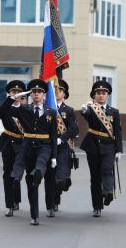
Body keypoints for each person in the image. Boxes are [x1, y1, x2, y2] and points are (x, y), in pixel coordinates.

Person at [1, 79, 57, 226]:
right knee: (31, 185)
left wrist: (55, 156)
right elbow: (3, 111)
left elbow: (53, 136)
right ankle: (34, 215)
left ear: (44, 95)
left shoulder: (51, 112)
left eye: (39, 92)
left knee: (40, 163)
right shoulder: (24, 110)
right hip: (28, 146)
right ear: (30, 95)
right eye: (33, 92)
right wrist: (16, 96)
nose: (36, 94)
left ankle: (37, 172)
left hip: (44, 146)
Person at [80, 80, 122, 218]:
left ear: (108, 95)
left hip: (108, 146)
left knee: (106, 169)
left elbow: (118, 131)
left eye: (104, 93)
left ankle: (108, 192)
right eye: (98, 93)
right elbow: (86, 115)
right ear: (94, 95)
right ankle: (97, 206)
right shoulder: (91, 109)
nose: (101, 95)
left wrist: (119, 150)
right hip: (92, 146)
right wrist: (84, 110)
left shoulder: (114, 112)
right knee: (95, 178)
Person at [0, 80, 25, 217]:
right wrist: (9, 99)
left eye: (19, 92)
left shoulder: (26, 109)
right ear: (9, 94)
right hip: (9, 143)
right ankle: (10, 204)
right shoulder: (5, 108)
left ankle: (16, 198)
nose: (16, 94)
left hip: (24, 144)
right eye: (13, 92)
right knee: (8, 174)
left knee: (18, 175)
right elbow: (0, 112)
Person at [53, 79, 79, 213]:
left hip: (63, 147)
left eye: (61, 90)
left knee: (60, 178)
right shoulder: (47, 108)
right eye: (56, 89)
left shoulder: (68, 110)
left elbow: (74, 130)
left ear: (65, 94)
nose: (58, 92)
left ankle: (64, 184)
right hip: (48, 146)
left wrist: (61, 139)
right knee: (51, 177)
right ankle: (54, 203)